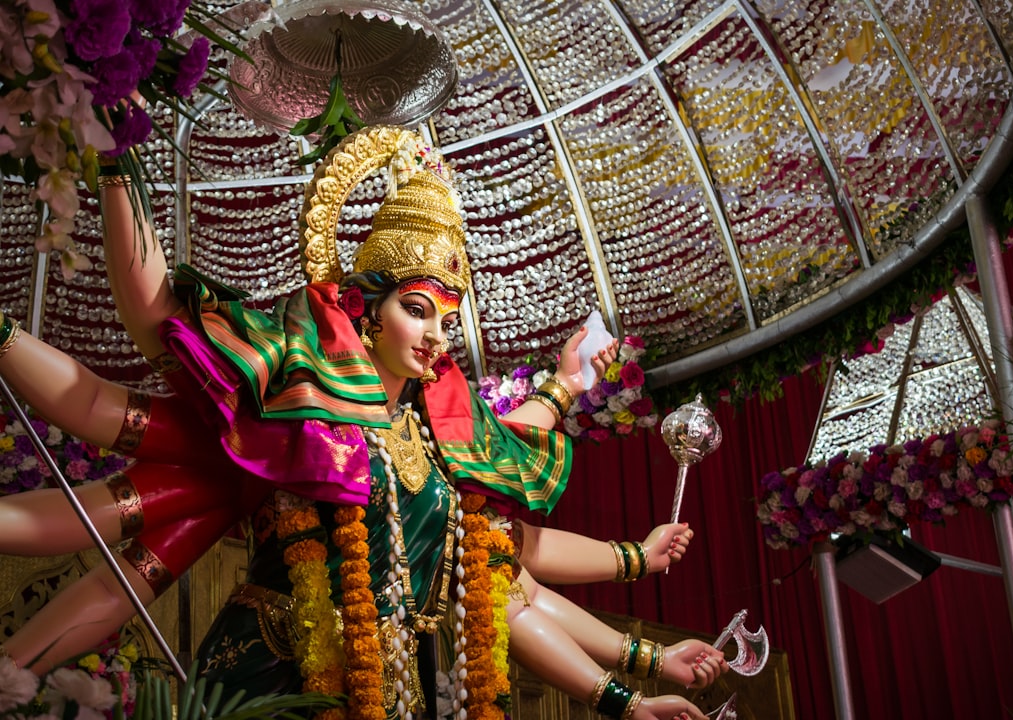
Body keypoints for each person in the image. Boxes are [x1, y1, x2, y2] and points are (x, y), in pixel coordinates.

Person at [0, 125, 727, 719]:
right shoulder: (300, 412)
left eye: (447, 317)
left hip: (392, 696)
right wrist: (114, 148)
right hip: (269, 681)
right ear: (366, 308)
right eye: (416, 308)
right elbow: (146, 327)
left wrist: (634, 674)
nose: (437, 334)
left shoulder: (442, 449)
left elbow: (514, 587)